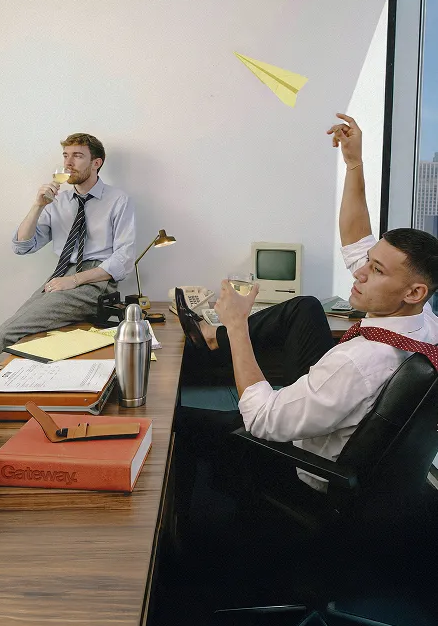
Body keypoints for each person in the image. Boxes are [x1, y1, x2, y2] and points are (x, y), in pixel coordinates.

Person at [175, 113, 438, 497]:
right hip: (335, 404)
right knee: (305, 306)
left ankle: (184, 535)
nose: (359, 272)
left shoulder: (356, 363)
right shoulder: (425, 319)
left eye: (375, 269)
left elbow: (263, 419)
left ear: (413, 291)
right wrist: (353, 163)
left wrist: (237, 325)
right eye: (369, 262)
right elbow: (357, 237)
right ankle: (213, 340)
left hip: (303, 469)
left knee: (176, 422)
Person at [0, 133, 136, 363]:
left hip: (96, 281)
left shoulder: (118, 200)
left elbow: (124, 259)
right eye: (66, 156)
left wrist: (75, 280)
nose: (68, 163)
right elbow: (23, 246)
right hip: (61, 275)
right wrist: (37, 206)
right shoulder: (58, 201)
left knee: (5, 334)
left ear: (97, 163)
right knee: (12, 335)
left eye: (77, 156)